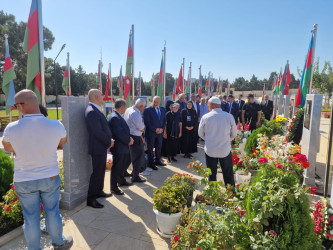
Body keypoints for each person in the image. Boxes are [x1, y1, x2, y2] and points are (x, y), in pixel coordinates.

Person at [2, 90, 73, 250]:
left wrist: (25, 147)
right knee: (52, 212)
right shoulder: (56, 124)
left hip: (24, 179)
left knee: (31, 218)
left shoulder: (11, 128)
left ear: (20, 106)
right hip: (50, 177)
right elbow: (62, 141)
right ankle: (59, 242)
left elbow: (8, 147)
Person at [198, 96, 237, 186]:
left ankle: (213, 193)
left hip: (210, 149)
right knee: (228, 173)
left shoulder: (205, 117)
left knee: (211, 174)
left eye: (208, 105)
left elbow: (200, 134)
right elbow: (234, 133)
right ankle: (231, 193)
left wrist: (209, 139)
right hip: (225, 149)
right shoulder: (229, 116)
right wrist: (227, 139)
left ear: (211, 105)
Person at [85, 89, 113, 209]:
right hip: (98, 147)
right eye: (102, 95)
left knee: (101, 171)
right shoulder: (92, 111)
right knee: (97, 173)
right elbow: (98, 132)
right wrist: (109, 142)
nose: (103, 97)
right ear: (96, 96)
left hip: (101, 146)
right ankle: (91, 199)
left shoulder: (95, 109)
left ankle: (99, 191)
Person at [108, 99, 134, 195]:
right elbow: (118, 133)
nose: (125, 109)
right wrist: (128, 140)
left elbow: (122, 131)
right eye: (125, 107)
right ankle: (113, 187)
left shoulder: (117, 116)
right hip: (119, 147)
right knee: (117, 167)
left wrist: (129, 138)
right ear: (122, 107)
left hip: (122, 146)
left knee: (122, 166)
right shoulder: (115, 117)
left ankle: (121, 181)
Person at [124, 99, 148, 183]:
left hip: (129, 135)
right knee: (137, 157)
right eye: (144, 107)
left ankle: (124, 171)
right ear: (140, 106)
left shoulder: (128, 109)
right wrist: (142, 125)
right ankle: (135, 176)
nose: (144, 109)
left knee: (129, 156)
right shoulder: (136, 113)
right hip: (135, 137)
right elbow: (141, 128)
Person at [143, 96, 166, 170]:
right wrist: (155, 129)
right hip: (151, 133)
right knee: (150, 148)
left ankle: (158, 160)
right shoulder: (147, 110)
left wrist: (162, 129)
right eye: (154, 102)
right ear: (152, 101)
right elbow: (147, 122)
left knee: (159, 147)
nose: (156, 103)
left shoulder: (162, 109)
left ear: (160, 102)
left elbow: (164, 120)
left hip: (160, 133)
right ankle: (151, 163)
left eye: (157, 102)